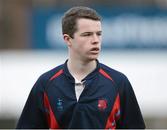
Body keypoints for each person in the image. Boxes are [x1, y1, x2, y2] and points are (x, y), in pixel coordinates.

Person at [16, 6, 145, 129]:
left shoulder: (119, 83)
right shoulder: (46, 83)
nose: (95, 40)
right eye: (87, 34)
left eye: (98, 34)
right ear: (68, 39)